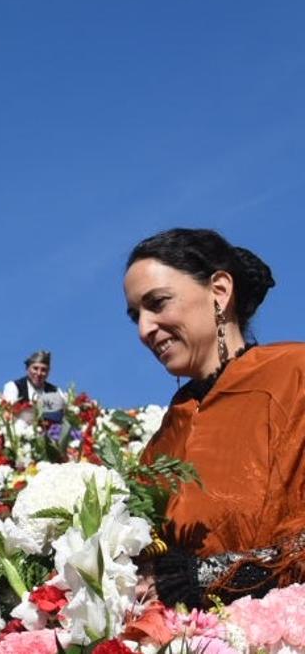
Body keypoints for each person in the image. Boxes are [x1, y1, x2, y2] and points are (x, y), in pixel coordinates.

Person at [123, 227, 305, 608]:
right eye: (135, 315)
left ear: (219, 290)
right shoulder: (163, 440)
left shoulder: (294, 375)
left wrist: (213, 576)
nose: (144, 329)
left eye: (158, 303)